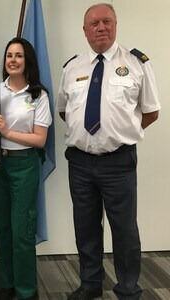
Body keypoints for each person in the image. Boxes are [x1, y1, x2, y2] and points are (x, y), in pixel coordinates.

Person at [57, 4, 160, 300]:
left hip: (119, 162)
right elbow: (66, 111)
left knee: (125, 231)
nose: (101, 27)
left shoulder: (137, 62)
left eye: (106, 22)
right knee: (85, 228)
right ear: (85, 30)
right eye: (94, 23)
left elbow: (150, 112)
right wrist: (91, 138)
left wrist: (119, 134)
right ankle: (90, 284)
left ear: (115, 25)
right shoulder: (72, 67)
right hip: (79, 163)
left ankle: (128, 290)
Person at [0, 37, 52, 300]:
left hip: (24, 165)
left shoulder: (38, 94)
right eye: (9, 55)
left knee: (22, 229)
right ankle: (8, 285)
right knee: (4, 226)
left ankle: (26, 289)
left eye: (19, 55)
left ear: (27, 60)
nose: (13, 60)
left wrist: (7, 131)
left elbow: (40, 139)